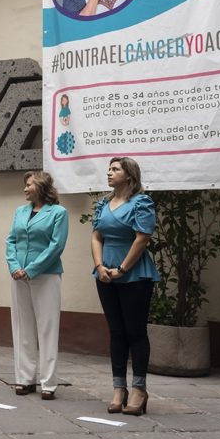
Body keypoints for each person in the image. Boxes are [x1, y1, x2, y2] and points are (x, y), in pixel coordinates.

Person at [91, 156, 159, 416]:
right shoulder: (103, 203)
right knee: (116, 332)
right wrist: (100, 267)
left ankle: (139, 389)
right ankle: (119, 388)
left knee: (135, 332)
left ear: (129, 175)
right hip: (105, 274)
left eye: (115, 169)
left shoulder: (141, 202)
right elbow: (96, 236)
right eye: (109, 169)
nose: (109, 173)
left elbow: (142, 238)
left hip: (134, 275)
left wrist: (121, 269)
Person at [5, 170, 69, 400]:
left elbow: (56, 246)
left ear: (41, 187)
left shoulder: (58, 213)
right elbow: (11, 240)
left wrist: (31, 269)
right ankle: (25, 379)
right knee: (23, 327)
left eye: (29, 184)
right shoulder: (20, 211)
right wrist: (14, 266)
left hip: (46, 276)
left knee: (47, 329)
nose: (25, 189)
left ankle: (48, 383)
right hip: (18, 276)